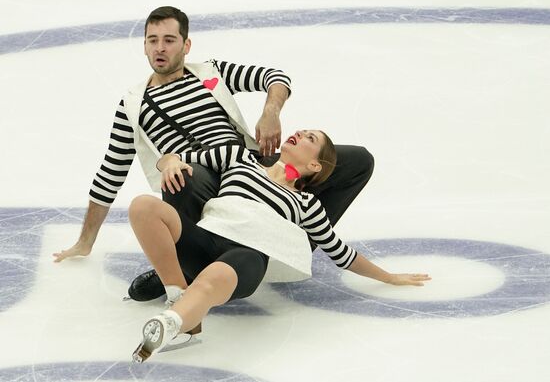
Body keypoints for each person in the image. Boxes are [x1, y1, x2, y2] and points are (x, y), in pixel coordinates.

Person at [53, 6, 375, 302]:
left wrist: (271, 111)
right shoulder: (133, 105)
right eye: (153, 40)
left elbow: (276, 78)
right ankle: (186, 268)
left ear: (186, 45)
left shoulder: (211, 72)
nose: (160, 48)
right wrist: (86, 240)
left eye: (169, 40)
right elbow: (111, 172)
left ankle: (295, 241)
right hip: (198, 173)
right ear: (145, 46)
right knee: (181, 178)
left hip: (248, 163)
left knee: (358, 161)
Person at [129, 129, 430, 363]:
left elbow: (340, 253)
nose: (298, 134)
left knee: (215, 277)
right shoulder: (239, 157)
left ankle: (170, 323)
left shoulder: (306, 203)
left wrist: (389, 277)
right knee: (144, 206)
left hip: (245, 258)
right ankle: (177, 296)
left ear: (314, 164)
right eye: (301, 131)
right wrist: (169, 162)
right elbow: (175, 156)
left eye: (309, 138)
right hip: (205, 239)